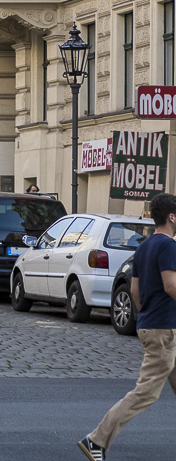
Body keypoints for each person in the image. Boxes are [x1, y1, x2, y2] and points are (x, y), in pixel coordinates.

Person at [79, 192, 176, 460]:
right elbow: (171, 285)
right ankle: (96, 440)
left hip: (155, 326)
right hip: (163, 331)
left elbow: (135, 290)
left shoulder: (143, 246)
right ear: (171, 217)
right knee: (145, 392)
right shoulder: (168, 246)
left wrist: (146, 314)